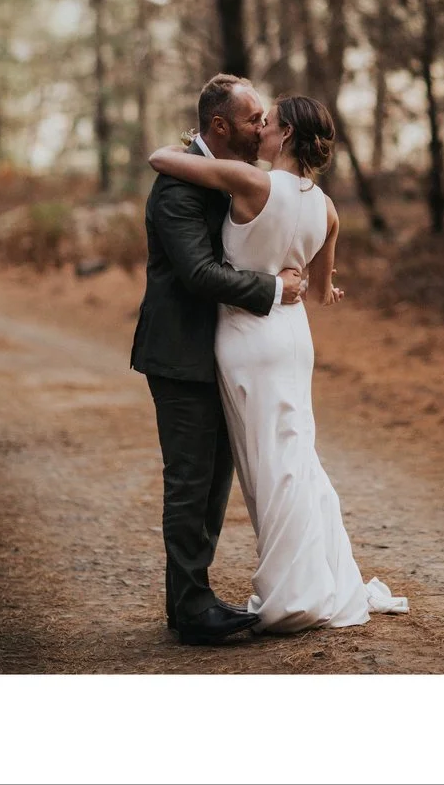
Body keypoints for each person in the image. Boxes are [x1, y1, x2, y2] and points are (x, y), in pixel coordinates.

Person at [147, 90, 408, 632]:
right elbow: (321, 285)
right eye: (254, 119)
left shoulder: (251, 182)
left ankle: (291, 591)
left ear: (285, 133)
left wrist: (183, 147)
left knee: (270, 465)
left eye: (267, 121)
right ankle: (309, 578)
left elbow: (159, 159)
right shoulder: (326, 205)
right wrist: (308, 284)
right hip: (291, 335)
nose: (261, 127)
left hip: (250, 336)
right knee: (293, 457)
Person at [127, 73, 307, 645]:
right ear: (221, 126)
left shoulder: (225, 175)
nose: (262, 127)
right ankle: (191, 607)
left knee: (214, 483)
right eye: (254, 119)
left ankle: (191, 601)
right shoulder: (177, 189)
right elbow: (199, 274)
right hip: (180, 353)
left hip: (224, 354)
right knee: (190, 481)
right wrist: (275, 289)